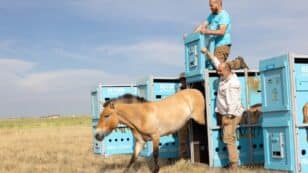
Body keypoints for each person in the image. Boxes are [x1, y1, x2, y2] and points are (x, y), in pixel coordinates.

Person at [201, 47, 244, 169]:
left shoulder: (233, 83)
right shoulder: (224, 75)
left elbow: (233, 102)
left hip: (231, 114)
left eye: (220, 71)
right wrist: (207, 52)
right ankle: (232, 163)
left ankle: (233, 165)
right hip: (225, 113)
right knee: (227, 137)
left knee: (229, 138)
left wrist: (228, 117)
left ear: (228, 70)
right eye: (218, 71)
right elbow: (216, 63)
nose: (218, 73)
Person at [194, 0, 249, 70]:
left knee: (218, 66)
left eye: (211, 5)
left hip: (222, 45)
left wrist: (206, 31)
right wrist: (190, 36)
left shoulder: (224, 15)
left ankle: (238, 62)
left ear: (218, 3)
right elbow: (202, 26)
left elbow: (222, 31)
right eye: (209, 6)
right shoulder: (212, 15)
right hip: (213, 46)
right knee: (210, 65)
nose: (210, 8)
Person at [177, 72, 189, 159]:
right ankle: (183, 158)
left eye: (184, 79)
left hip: (192, 117)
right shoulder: (179, 90)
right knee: (183, 140)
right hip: (182, 118)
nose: (183, 81)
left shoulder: (191, 88)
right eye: (181, 80)